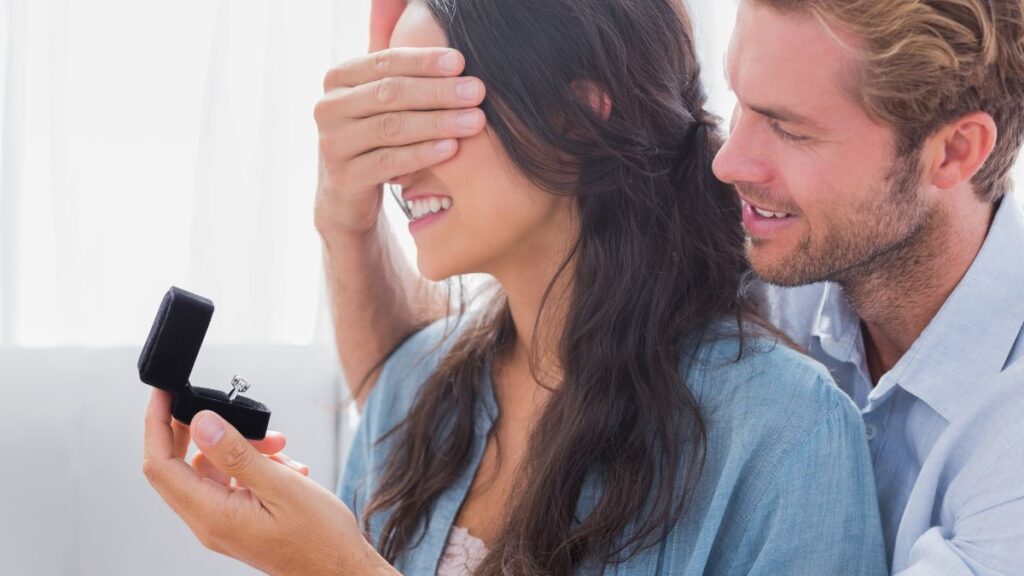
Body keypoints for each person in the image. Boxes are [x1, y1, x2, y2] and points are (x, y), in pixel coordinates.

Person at [143, 0, 886, 574]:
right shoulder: (412, 388)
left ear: (577, 115)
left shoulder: (785, 434)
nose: (394, 165)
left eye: (425, 113)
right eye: (383, 120)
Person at [314, 0, 1024, 573]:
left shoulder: (981, 452)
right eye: (741, 102)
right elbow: (409, 394)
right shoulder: (781, 253)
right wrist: (346, 224)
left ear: (954, 152)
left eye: (787, 127)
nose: (729, 160)